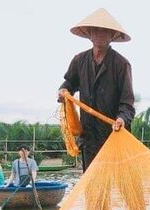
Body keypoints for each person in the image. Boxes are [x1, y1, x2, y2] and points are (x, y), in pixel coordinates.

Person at [57, 8, 135, 172]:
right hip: (89, 136)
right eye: (96, 30)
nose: (100, 34)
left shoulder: (121, 64)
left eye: (105, 31)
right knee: (93, 188)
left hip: (114, 135)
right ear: (89, 34)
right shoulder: (79, 60)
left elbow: (127, 104)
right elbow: (69, 83)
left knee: (124, 183)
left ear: (112, 35)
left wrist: (121, 119)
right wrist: (63, 91)